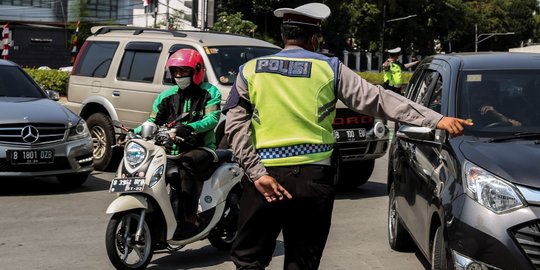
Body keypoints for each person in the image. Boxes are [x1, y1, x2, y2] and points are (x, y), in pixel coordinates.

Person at [222, 3, 472, 269]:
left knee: (249, 260)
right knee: (303, 261)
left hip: (265, 180)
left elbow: (234, 127)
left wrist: (257, 173)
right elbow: (378, 100)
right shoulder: (330, 68)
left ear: (284, 35)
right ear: (315, 38)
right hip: (313, 179)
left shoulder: (250, 70)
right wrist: (437, 119)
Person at [134, 48, 222, 239]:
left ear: (197, 71)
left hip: (201, 149)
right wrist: (133, 132)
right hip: (168, 150)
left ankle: (190, 218)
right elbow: (153, 120)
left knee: (186, 164)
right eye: (175, 72)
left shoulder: (209, 92)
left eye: (183, 71)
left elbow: (212, 119)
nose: (178, 75)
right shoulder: (166, 96)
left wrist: (189, 128)